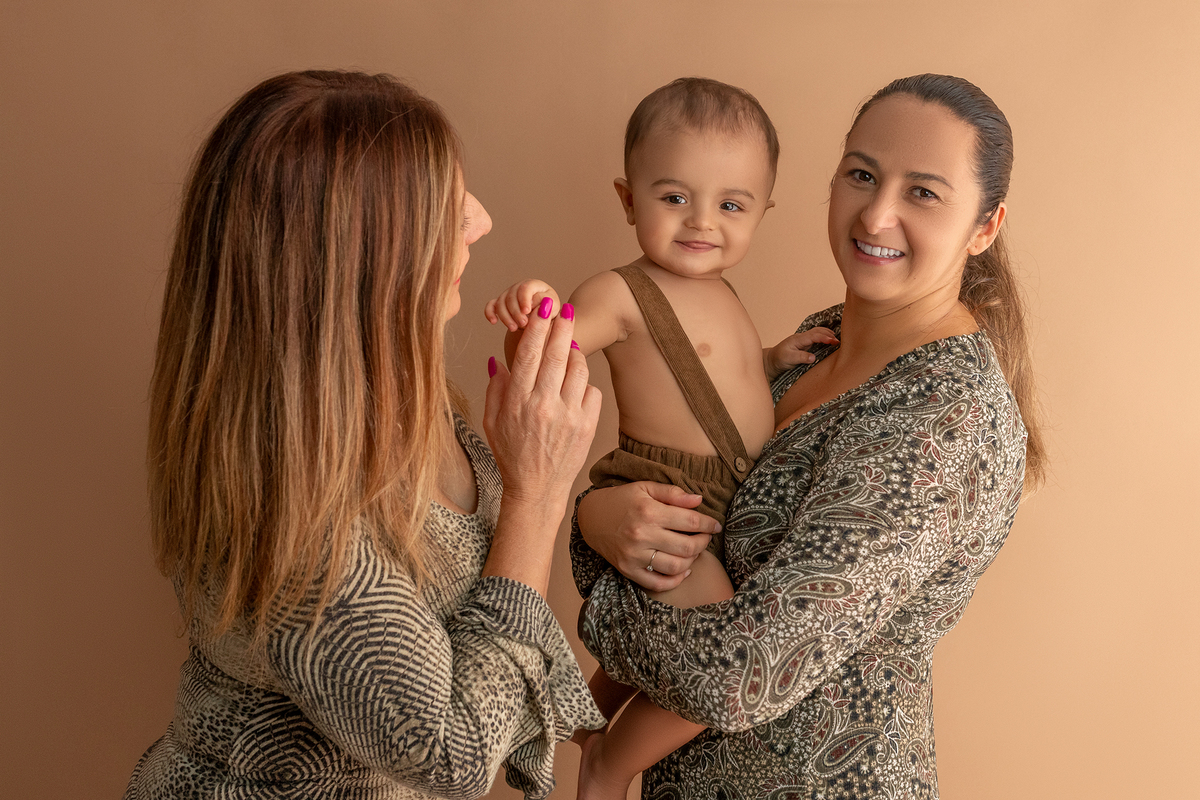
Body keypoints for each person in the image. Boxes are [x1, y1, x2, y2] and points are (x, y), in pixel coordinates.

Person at [124, 70, 605, 800]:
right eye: (442, 206)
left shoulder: (382, 394)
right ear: (355, 263)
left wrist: (539, 441)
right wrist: (538, 496)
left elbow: (460, 580)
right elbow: (456, 755)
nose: (479, 219)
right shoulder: (298, 522)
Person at [571, 74, 1046, 798]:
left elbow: (744, 674)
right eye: (862, 174)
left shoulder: (942, 420)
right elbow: (703, 517)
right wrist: (599, 516)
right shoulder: (821, 343)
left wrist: (597, 577)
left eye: (922, 192)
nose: (876, 215)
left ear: (985, 226)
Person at [485, 77, 836, 798]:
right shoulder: (619, 292)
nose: (701, 223)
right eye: (674, 198)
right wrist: (535, 317)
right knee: (717, 646)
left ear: (761, 211)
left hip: (724, 492)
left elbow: (714, 372)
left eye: (731, 206)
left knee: (665, 639)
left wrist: (772, 358)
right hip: (666, 490)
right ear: (628, 199)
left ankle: (576, 717)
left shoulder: (721, 288)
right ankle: (610, 764)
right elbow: (558, 349)